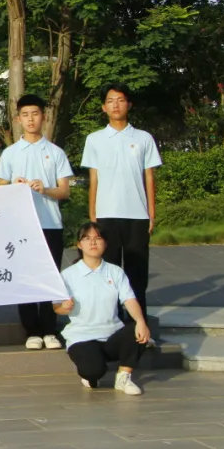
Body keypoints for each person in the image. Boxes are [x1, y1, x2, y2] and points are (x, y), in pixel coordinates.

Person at [0, 94, 73, 351]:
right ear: (18, 119)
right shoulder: (10, 153)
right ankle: (31, 330)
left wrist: (45, 189)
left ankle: (50, 329)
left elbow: (65, 191)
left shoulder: (55, 152)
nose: (30, 119)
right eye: (25, 115)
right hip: (20, 226)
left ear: (44, 117)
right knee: (26, 277)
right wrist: (14, 187)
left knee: (50, 277)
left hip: (50, 223)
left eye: (35, 114)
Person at [80, 83, 162, 317]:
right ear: (103, 107)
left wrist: (151, 214)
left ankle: (138, 322)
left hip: (137, 215)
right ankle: (112, 319)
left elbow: (149, 177)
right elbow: (93, 179)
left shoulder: (144, 138)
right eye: (110, 101)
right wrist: (93, 216)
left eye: (120, 100)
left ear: (129, 104)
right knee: (109, 271)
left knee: (137, 272)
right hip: (106, 215)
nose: (115, 105)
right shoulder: (94, 139)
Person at [54, 222, 150, 394]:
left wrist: (141, 321)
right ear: (79, 244)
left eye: (98, 238)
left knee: (138, 329)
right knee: (93, 371)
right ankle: (90, 371)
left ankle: (123, 377)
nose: (93, 242)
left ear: (105, 243)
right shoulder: (67, 275)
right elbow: (56, 308)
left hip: (112, 334)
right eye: (87, 238)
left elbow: (129, 299)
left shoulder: (115, 272)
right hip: (82, 336)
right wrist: (64, 307)